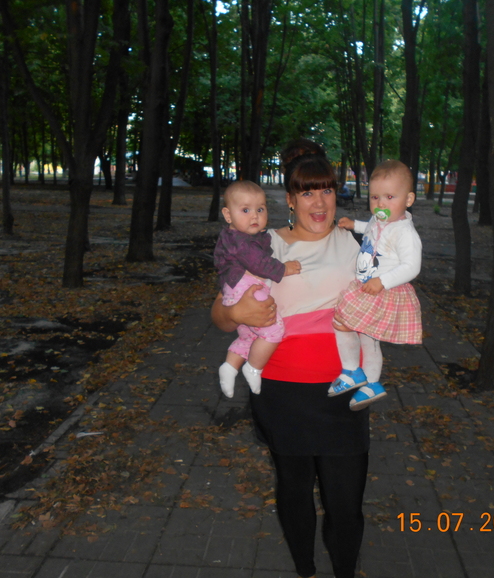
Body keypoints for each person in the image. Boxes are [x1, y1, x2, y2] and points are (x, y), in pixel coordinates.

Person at [211, 140, 367, 578]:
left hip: (343, 391)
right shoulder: (266, 245)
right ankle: (305, 569)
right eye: (307, 192)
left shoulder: (355, 243)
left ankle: (344, 570)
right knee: (295, 490)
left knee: (346, 502)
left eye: (327, 190)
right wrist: (236, 314)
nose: (319, 202)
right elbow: (220, 315)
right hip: (282, 392)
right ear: (291, 200)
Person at [329, 160, 423, 409]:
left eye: (390, 197)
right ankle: (364, 379)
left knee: (353, 329)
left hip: (383, 291)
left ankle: (361, 376)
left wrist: (383, 281)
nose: (381, 204)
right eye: (375, 197)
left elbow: (412, 267)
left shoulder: (405, 232)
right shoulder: (380, 221)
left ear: (408, 199)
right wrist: (354, 225)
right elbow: (370, 227)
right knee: (359, 333)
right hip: (367, 287)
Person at [214, 181, 301, 397]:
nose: (254, 216)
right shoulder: (241, 241)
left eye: (260, 209)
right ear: (228, 215)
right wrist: (284, 268)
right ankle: (253, 368)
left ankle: (229, 367)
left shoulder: (238, 237)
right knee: (273, 330)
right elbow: (259, 263)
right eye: (245, 210)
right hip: (246, 288)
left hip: (234, 292)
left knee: (249, 337)